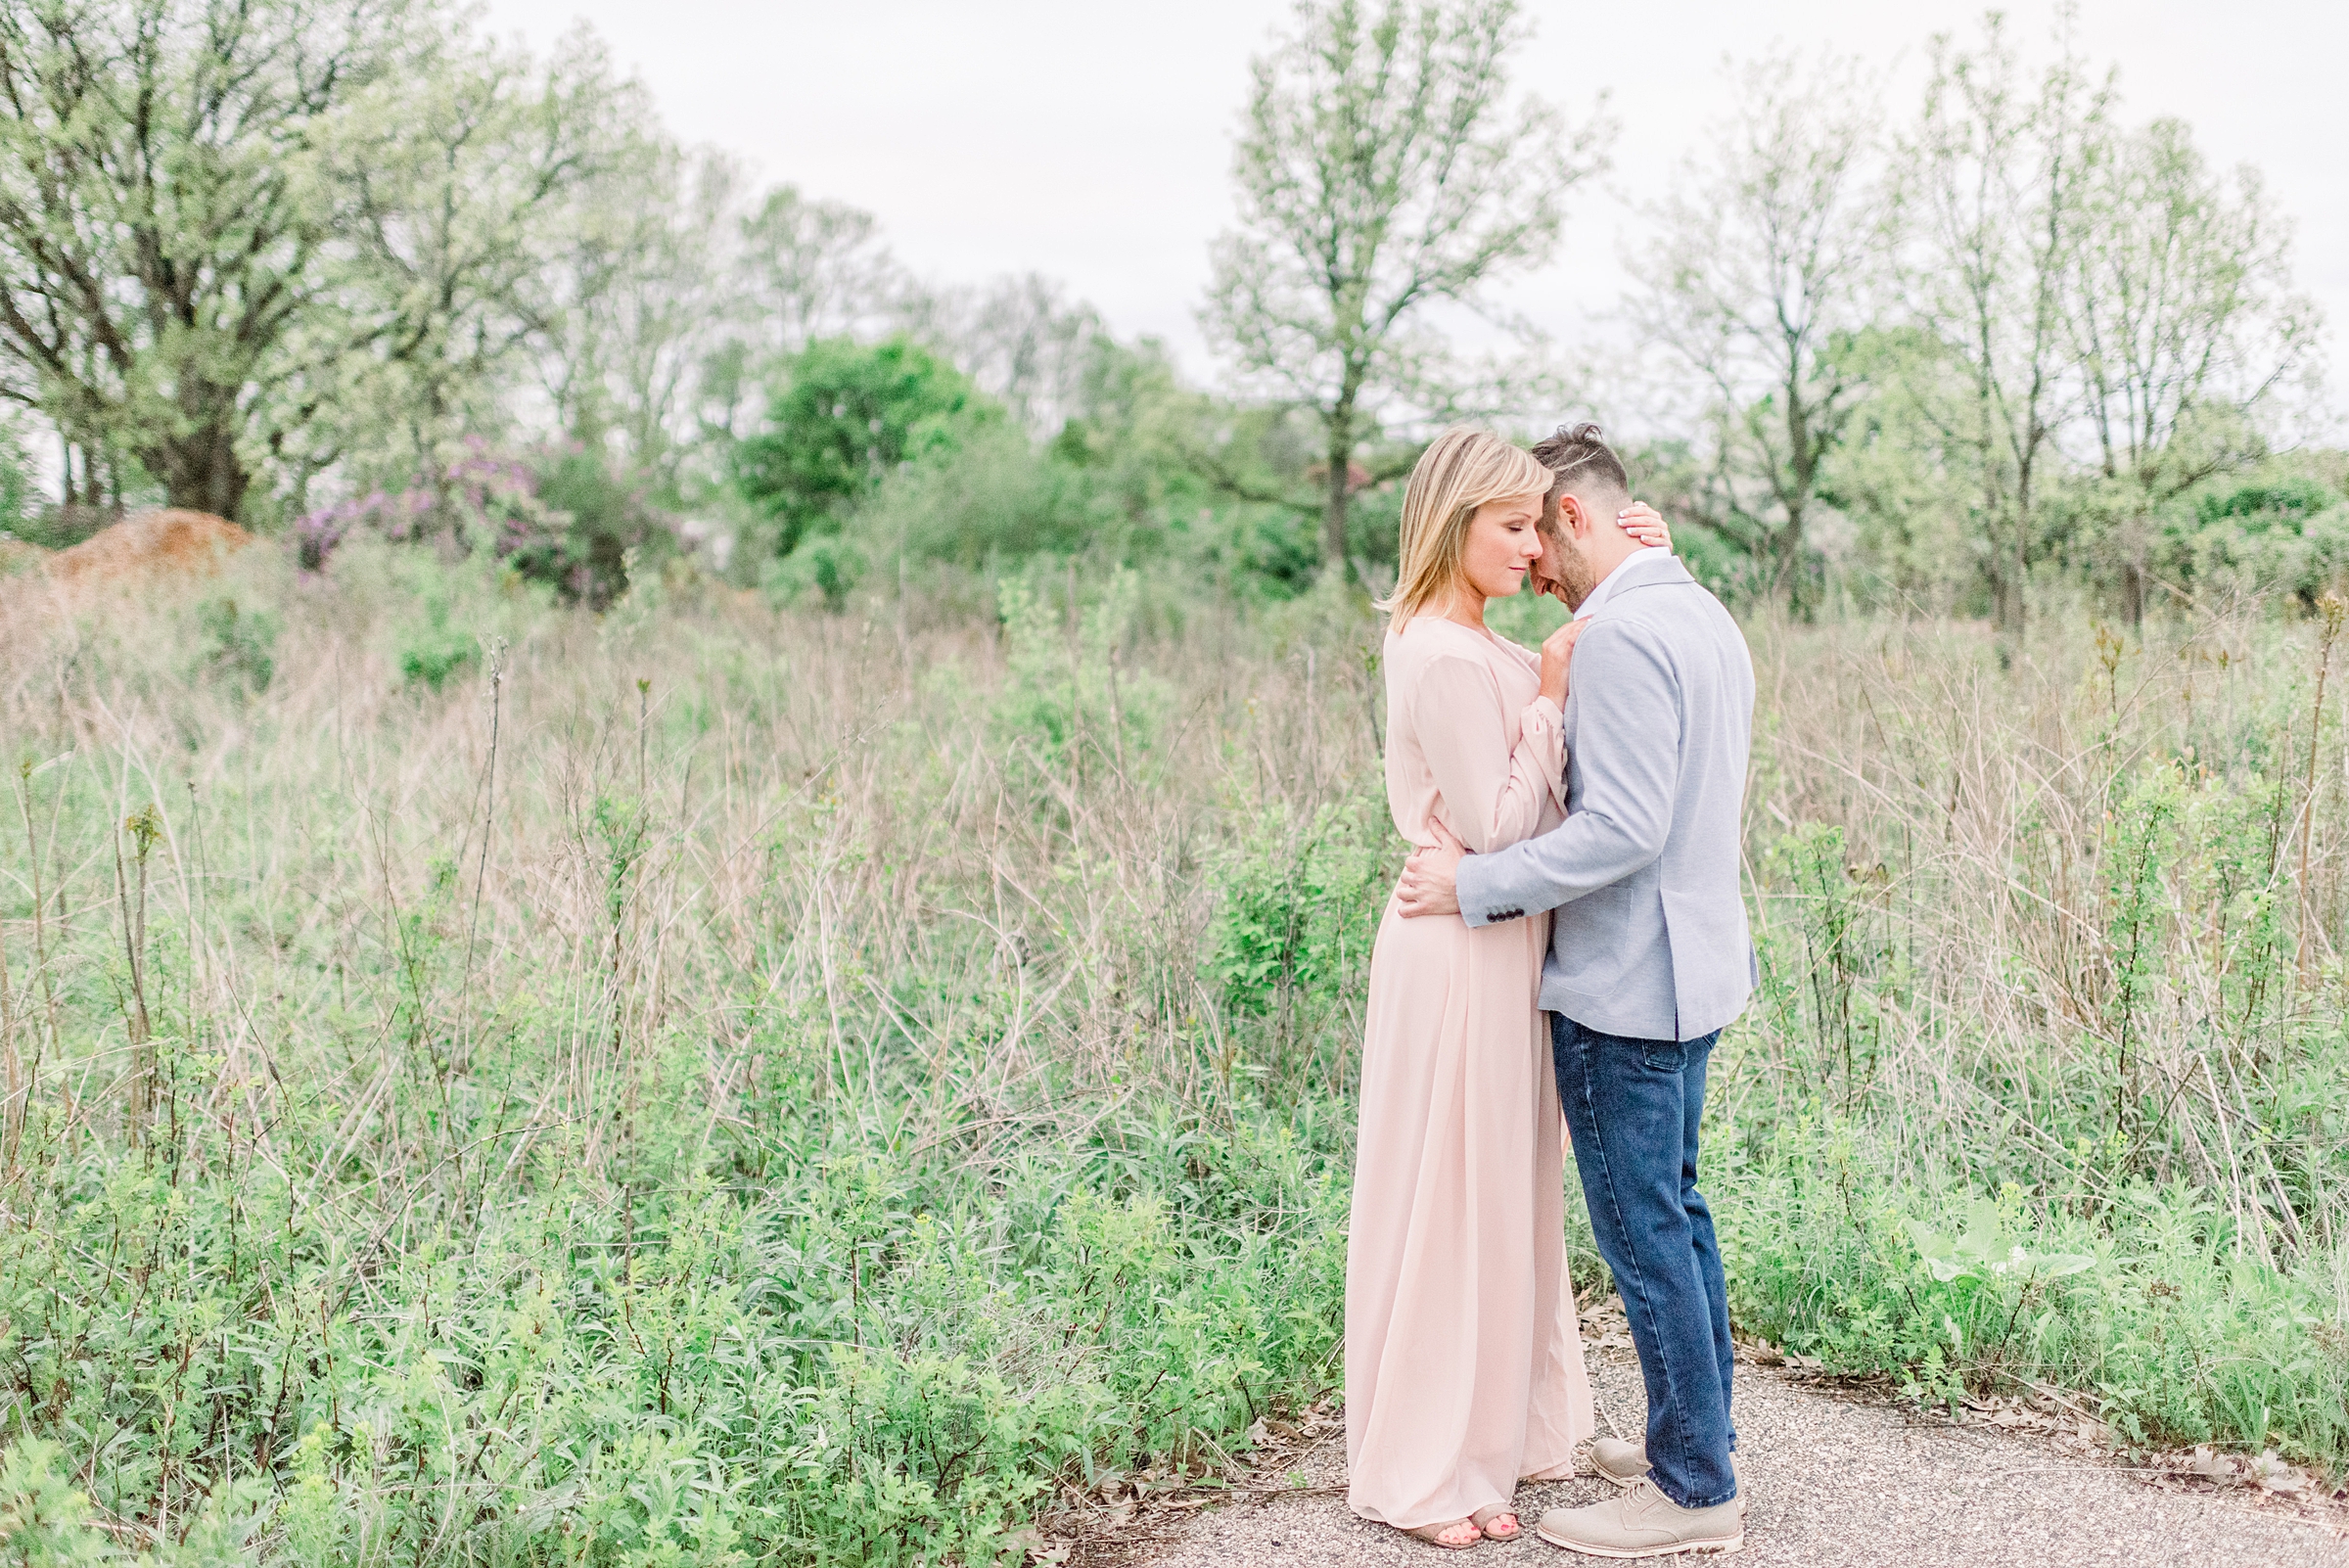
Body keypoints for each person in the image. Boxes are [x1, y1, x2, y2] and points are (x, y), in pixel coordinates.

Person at [1398, 421, 1756, 1559]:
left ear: (1574, 517)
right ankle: (1691, 1438)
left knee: (1647, 1236)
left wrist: (1476, 883)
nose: (1537, 574)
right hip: (1695, 973)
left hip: (1623, 987)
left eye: (1537, 538)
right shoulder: (1699, 612)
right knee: (1679, 1220)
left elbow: (1624, 827)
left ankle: (1693, 1493)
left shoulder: (1614, 641)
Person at [1347, 427, 1673, 1549]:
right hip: (1456, 953)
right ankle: (1425, 1470)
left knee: (1501, 1199)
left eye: (1541, 525)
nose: (1535, 548)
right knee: (1451, 1197)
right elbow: (1492, 825)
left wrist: (1650, 557)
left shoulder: (1482, 638)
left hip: (1498, 941)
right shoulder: (1440, 649)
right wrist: (1546, 696)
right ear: (1455, 521)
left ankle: (1488, 1443)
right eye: (1513, 526)